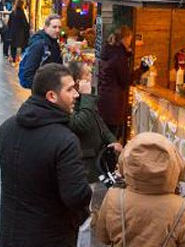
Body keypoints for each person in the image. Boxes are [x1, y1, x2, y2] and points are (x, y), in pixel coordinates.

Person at [0, 63, 91, 246]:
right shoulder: (65, 140)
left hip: (11, 234)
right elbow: (77, 196)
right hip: (50, 236)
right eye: (70, 89)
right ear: (51, 96)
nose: (76, 94)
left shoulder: (6, 128)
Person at [94, 132, 185, 247]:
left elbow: (103, 237)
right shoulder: (180, 207)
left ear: (126, 161)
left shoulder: (113, 197)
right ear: (174, 165)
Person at [67, 61, 122, 247]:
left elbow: (99, 122)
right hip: (83, 164)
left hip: (94, 162)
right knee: (83, 214)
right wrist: (86, 96)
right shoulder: (72, 102)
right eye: (87, 76)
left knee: (88, 209)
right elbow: (80, 124)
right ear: (76, 81)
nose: (91, 79)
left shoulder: (87, 101)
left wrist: (111, 139)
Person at [97, 26, 147, 142]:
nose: (130, 43)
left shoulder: (108, 51)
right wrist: (142, 69)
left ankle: (104, 157)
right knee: (113, 137)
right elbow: (126, 80)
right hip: (114, 103)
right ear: (125, 39)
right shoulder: (119, 57)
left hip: (105, 98)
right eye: (130, 40)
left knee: (105, 135)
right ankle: (109, 159)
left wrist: (127, 55)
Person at [18, 14, 63, 89]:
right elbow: (28, 74)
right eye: (54, 27)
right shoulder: (39, 45)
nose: (57, 30)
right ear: (46, 27)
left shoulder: (53, 42)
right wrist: (42, 88)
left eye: (59, 27)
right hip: (43, 90)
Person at [8, 0, 29, 65]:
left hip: (13, 33)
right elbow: (25, 24)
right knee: (23, 46)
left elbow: (9, 23)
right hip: (21, 33)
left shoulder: (12, 13)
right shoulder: (22, 13)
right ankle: (22, 60)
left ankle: (14, 60)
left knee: (13, 47)